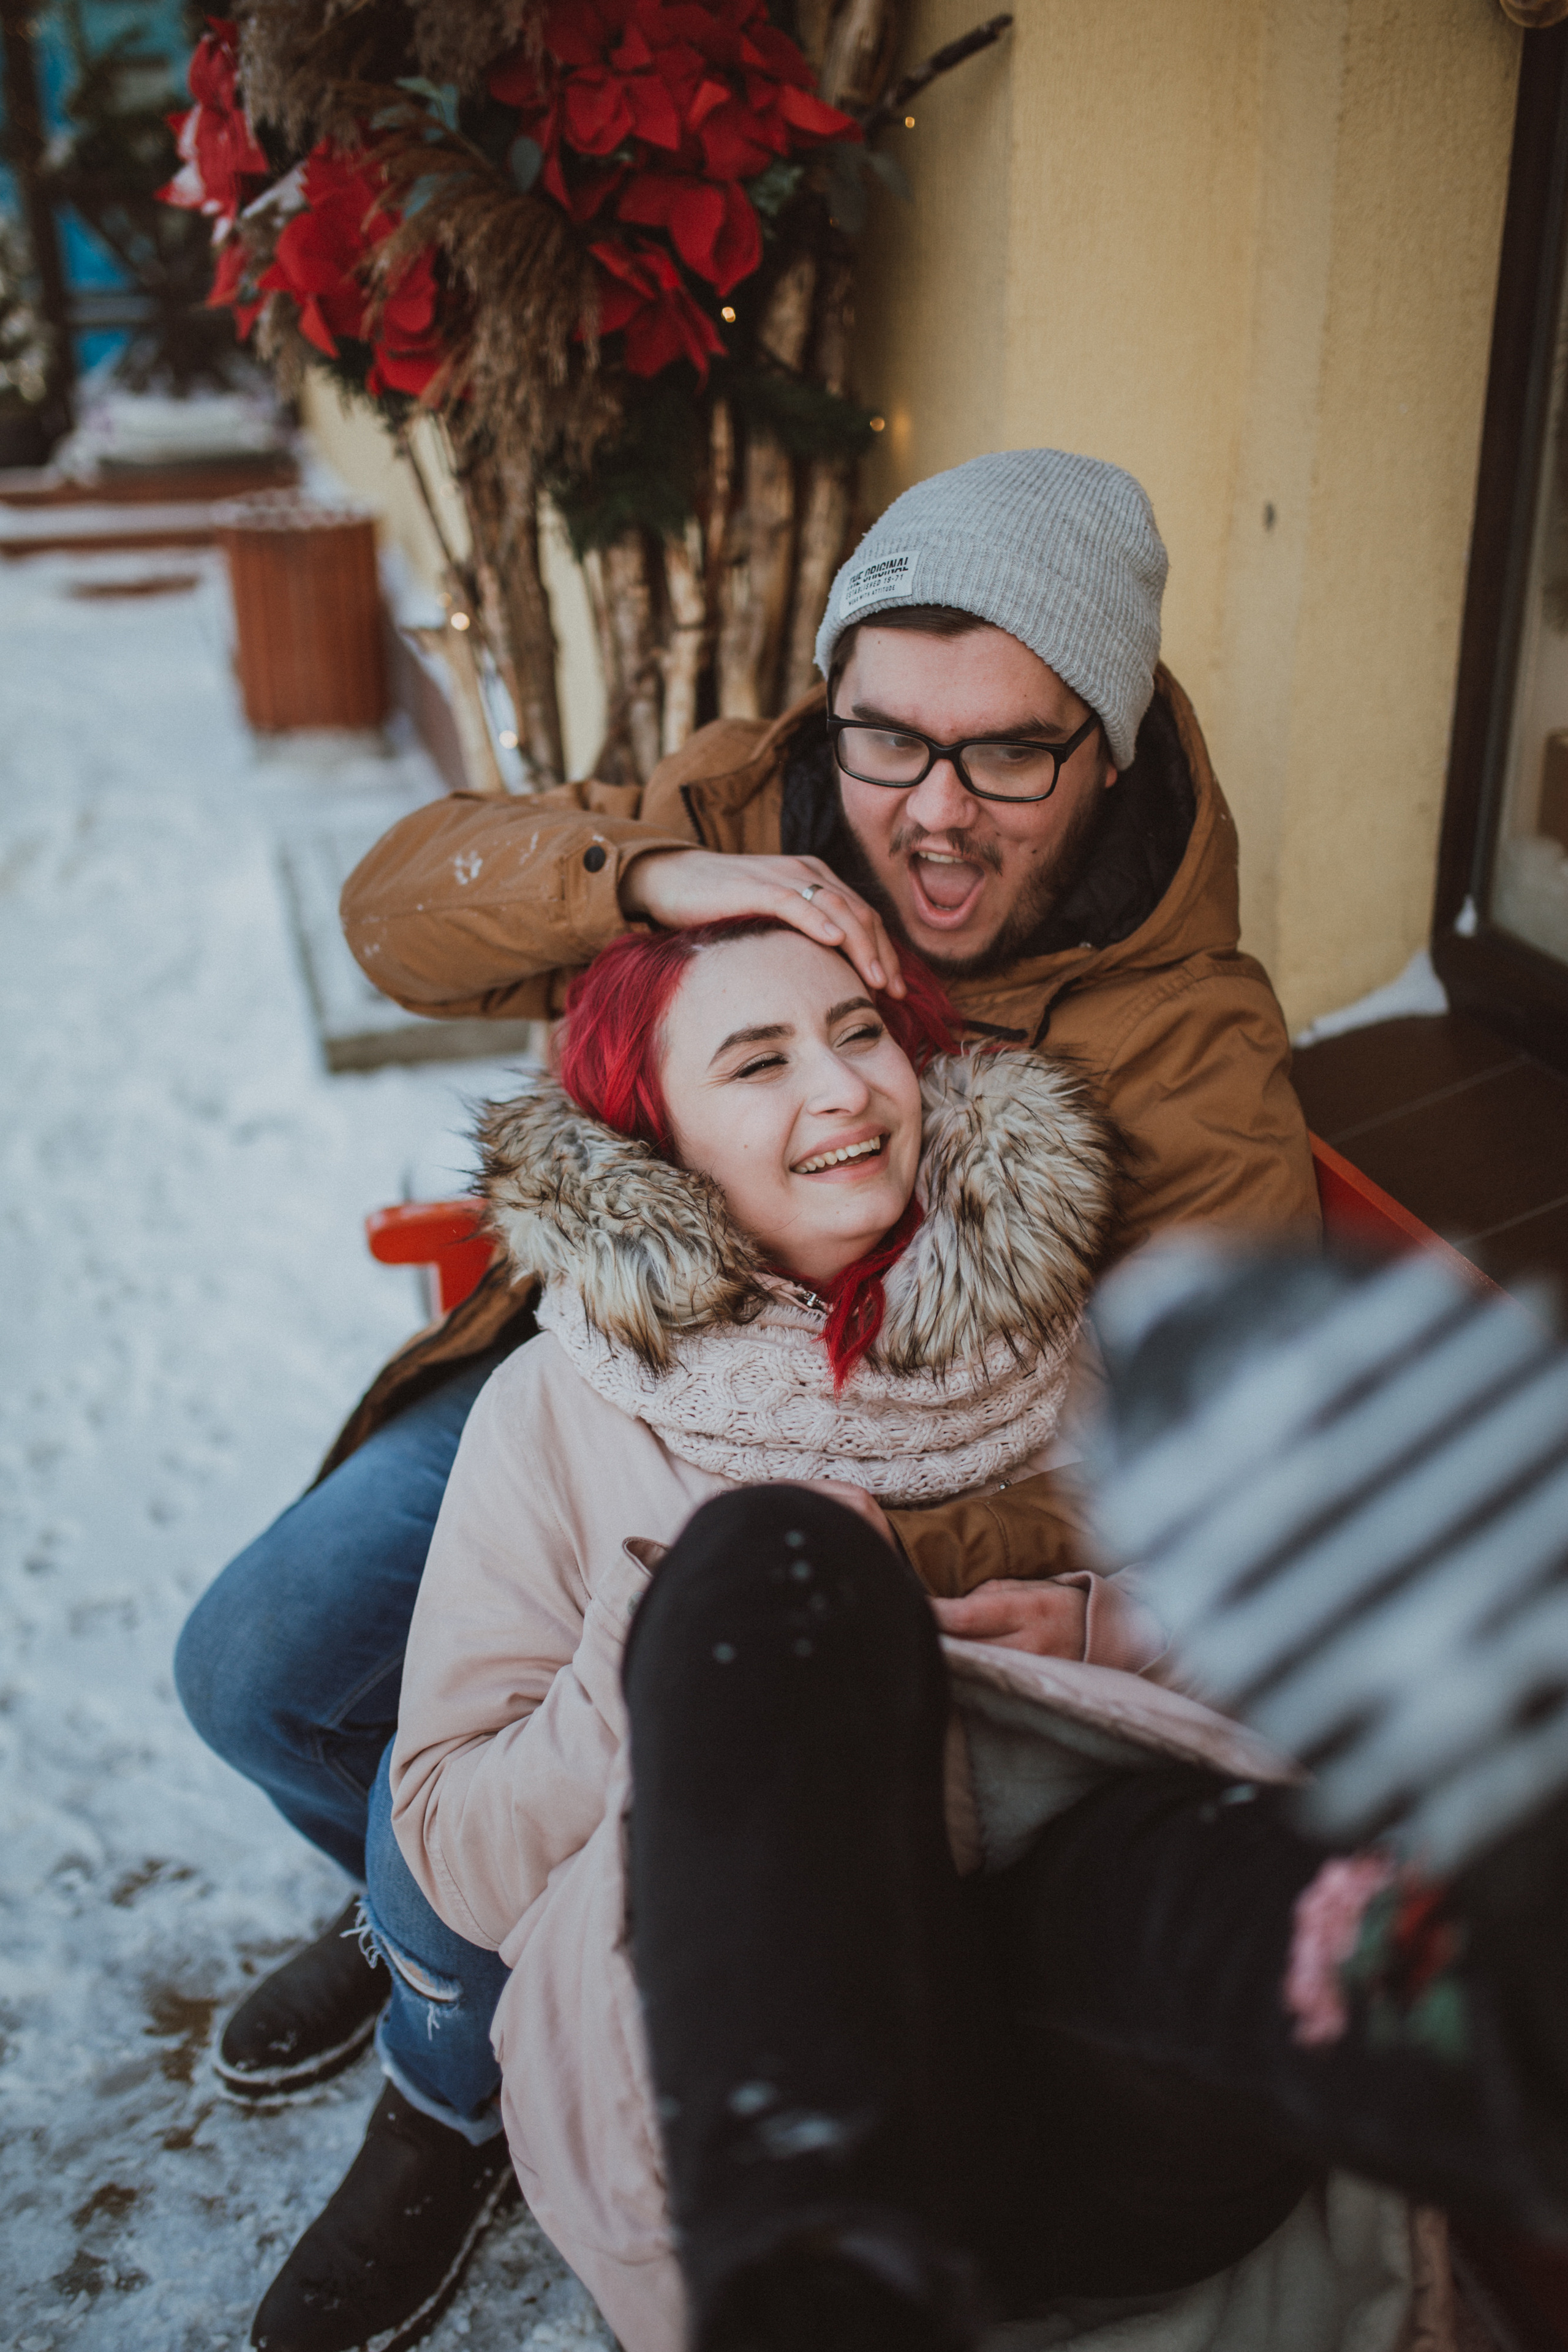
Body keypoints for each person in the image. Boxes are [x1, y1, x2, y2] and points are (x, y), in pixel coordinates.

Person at [175, 449, 1319, 2348]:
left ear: (1105, 748)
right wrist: (647, 872)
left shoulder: (1186, 1042)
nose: (928, 819)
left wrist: (798, 1531)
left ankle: (445, 2065)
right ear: (836, 705)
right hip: (616, 1373)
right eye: (888, 740)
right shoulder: (751, 797)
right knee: (265, 1672)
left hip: (885, 1479)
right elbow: (398, 916)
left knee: (606, 1729)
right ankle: (436, 1926)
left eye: (1009, 756)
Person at [385, 918, 1533, 2352]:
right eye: (758, 1062)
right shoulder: (556, 1413)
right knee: (767, 1561)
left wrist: (1107, 1633)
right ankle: (818, 2250)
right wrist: (663, 1641)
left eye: (862, 1032)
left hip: (1108, 2082)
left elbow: (1292, 1666)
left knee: (1213, 1881)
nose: (845, 1089)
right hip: (786, 2061)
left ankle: (1478, 2006)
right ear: (649, 1141)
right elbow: (456, 1847)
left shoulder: (1072, 1339)